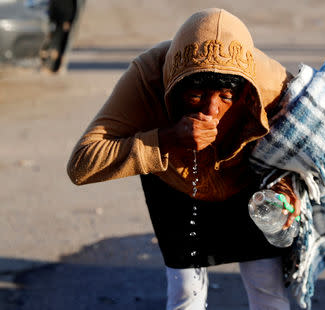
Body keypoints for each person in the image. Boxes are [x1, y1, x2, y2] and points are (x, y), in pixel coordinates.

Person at [67, 8, 301, 310]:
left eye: (225, 97)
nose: (209, 111)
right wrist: (164, 140)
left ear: (245, 91)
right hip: (174, 186)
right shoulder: (148, 77)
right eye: (195, 95)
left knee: (266, 288)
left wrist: (284, 187)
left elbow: (299, 148)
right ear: (174, 84)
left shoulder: (270, 83)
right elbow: (82, 164)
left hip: (248, 185)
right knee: (184, 294)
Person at [40, 0, 78, 72]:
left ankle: (53, 67)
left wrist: (68, 20)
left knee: (58, 44)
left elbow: (71, 5)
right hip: (57, 19)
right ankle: (51, 66)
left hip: (61, 20)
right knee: (56, 44)